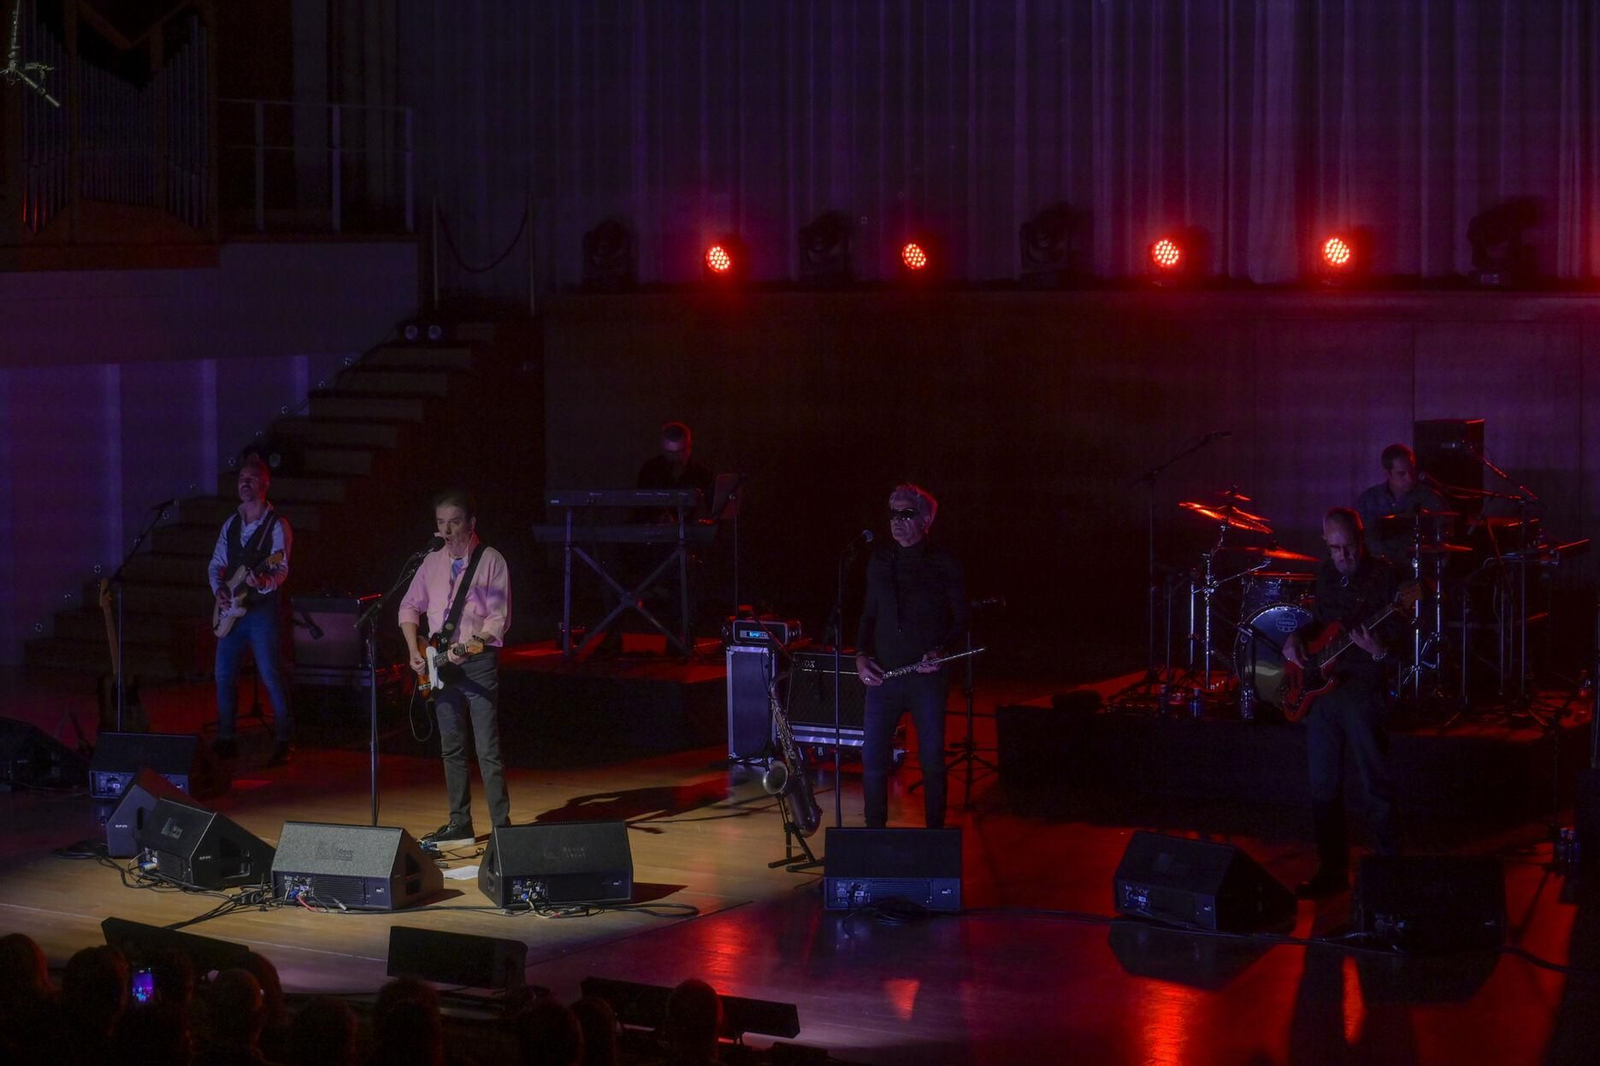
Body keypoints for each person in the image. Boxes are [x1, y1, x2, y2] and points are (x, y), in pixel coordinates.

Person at [1282, 508, 1404, 898]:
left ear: (1361, 539)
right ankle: (1331, 871)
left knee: (1376, 785)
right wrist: (1297, 638)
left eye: (1348, 547)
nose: (1343, 557)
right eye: (1335, 549)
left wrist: (1379, 649)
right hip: (1323, 692)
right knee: (1322, 786)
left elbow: (1400, 639)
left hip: (1362, 688)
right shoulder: (1326, 573)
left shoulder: (1385, 577)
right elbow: (1320, 623)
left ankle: (1387, 872)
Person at [399, 489, 513, 847]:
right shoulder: (430, 562)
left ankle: (502, 829)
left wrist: (463, 651)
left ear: (471, 522)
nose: (447, 531)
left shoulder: (491, 560)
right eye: (441, 523)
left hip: (475, 662)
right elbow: (407, 608)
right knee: (451, 747)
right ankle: (460, 823)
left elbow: (497, 622)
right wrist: (413, 650)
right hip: (439, 663)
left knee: (487, 749)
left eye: (455, 522)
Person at [854, 483, 969, 829]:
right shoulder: (880, 560)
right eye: (893, 514)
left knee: (932, 758)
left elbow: (962, 618)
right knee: (873, 758)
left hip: (926, 679)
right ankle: (874, 834)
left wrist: (942, 651)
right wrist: (860, 656)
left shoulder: (943, 563)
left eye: (907, 514)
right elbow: (868, 614)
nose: (897, 521)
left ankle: (934, 834)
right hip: (883, 676)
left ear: (925, 519)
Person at [208, 458, 294, 765]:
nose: (245, 483)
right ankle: (226, 738)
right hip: (231, 610)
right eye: (242, 478)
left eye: (252, 479)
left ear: (265, 484)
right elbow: (217, 563)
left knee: (270, 673)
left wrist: (266, 581)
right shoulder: (231, 523)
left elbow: (281, 567)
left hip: (261, 611)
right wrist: (218, 589)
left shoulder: (277, 525)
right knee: (223, 675)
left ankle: (284, 739)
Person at [1354, 443, 1447, 565]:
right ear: (1387, 474)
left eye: (1411, 471)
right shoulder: (1368, 500)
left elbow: (1445, 536)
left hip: (1417, 570)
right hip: (1377, 571)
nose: (1409, 478)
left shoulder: (1430, 499)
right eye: (1401, 473)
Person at [636, 421, 715, 520]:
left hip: (691, 533)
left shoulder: (702, 473)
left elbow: (714, 512)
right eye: (669, 452)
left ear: (689, 447)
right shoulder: (650, 470)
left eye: (680, 452)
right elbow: (640, 508)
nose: (674, 457)